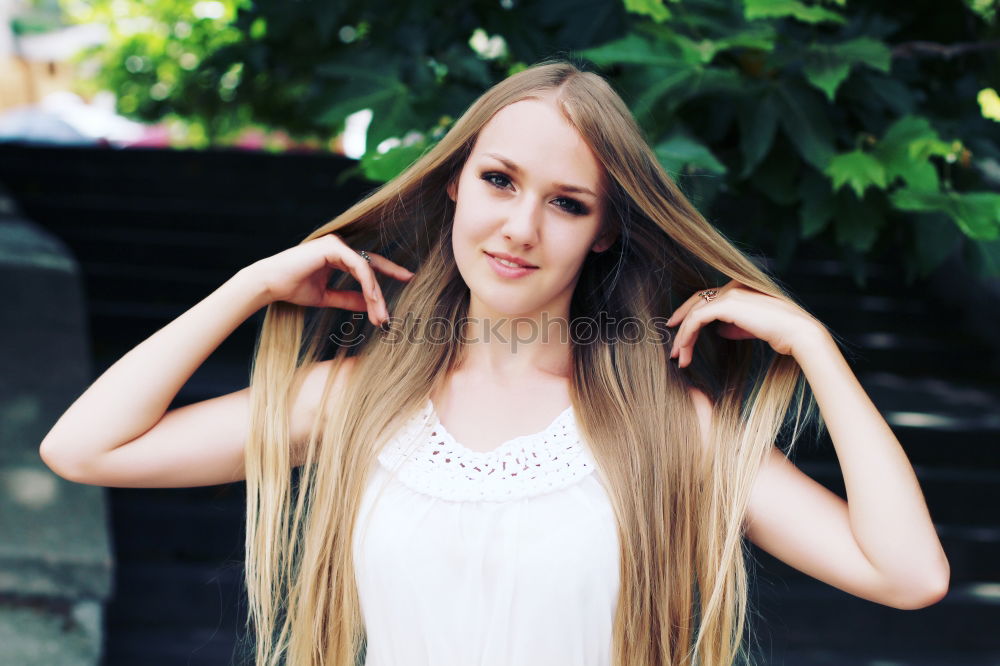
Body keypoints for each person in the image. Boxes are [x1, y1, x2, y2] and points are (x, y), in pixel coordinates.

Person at [38, 57, 950, 666]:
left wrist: (818, 351)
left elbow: (908, 576)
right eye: (500, 180)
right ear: (454, 182)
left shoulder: (670, 427)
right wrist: (248, 288)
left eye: (567, 203)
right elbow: (84, 450)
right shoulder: (358, 402)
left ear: (603, 234)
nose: (519, 228)